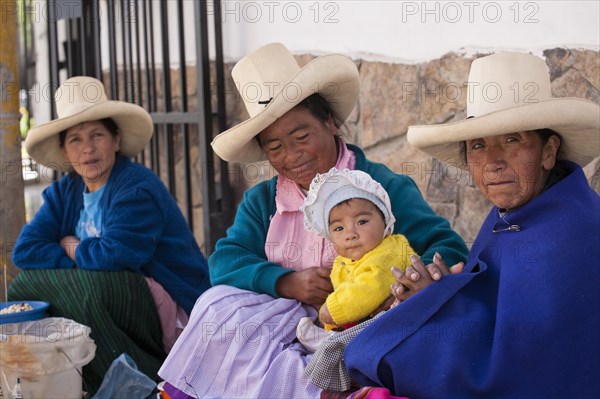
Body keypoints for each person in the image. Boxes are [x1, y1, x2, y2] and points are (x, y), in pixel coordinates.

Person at [158, 42, 468, 399]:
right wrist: (287, 281)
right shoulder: (264, 202)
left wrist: (401, 286)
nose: (292, 155)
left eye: (301, 136)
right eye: (275, 147)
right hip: (283, 327)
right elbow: (226, 261)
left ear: (330, 123)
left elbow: (447, 247)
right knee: (216, 304)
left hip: (357, 325)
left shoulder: (380, 188)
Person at [343, 52, 600, 398]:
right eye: (478, 145)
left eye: (513, 140)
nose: (493, 162)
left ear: (549, 151)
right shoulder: (519, 210)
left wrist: (440, 305)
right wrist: (441, 291)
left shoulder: (571, 233)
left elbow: (525, 362)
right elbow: (500, 302)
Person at [9, 76, 211, 394]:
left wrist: (73, 248)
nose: (87, 148)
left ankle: (145, 382)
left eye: (97, 135)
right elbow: (26, 250)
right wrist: (79, 263)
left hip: (172, 306)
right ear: (64, 149)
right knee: (24, 285)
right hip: (116, 294)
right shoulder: (64, 192)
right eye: (75, 139)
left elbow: (115, 256)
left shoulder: (135, 186)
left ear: (115, 140)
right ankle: (85, 379)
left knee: (90, 293)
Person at [300, 167, 416, 333]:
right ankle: (331, 336)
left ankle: (332, 340)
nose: (350, 234)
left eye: (361, 222)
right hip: (363, 322)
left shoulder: (388, 254)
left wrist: (333, 310)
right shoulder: (343, 261)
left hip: (398, 324)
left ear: (387, 226)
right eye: (339, 228)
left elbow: (369, 288)